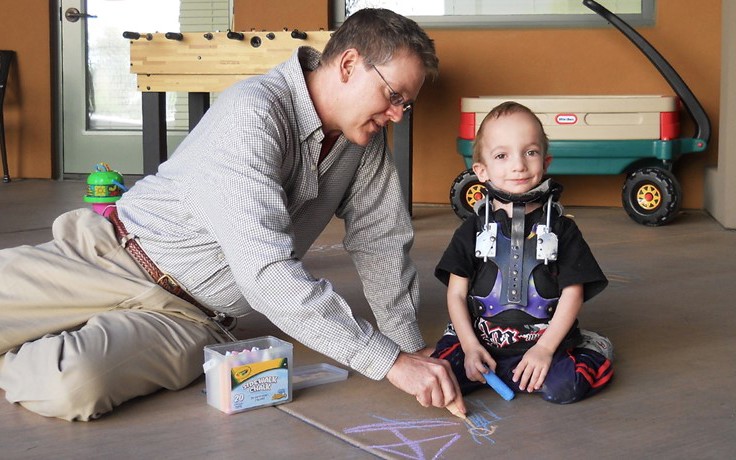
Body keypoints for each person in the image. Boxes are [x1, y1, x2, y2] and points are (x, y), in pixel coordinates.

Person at [0, 8, 465, 421]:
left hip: (190, 319)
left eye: (406, 103)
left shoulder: (364, 147)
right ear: (348, 64)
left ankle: (36, 342)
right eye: (393, 95)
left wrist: (408, 348)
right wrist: (388, 362)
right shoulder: (255, 111)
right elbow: (266, 272)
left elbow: (380, 242)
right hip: (109, 256)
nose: (398, 113)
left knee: (73, 385)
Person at [431, 101, 614, 404]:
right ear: (481, 170)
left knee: (564, 388)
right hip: (482, 341)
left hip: (546, 344)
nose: (518, 165)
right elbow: (456, 294)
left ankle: (590, 349)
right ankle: (475, 353)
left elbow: (573, 293)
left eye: (530, 152)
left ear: (546, 162)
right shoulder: (471, 230)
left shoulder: (562, 229)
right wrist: (470, 346)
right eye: (502, 155)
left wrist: (546, 349)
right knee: (442, 375)